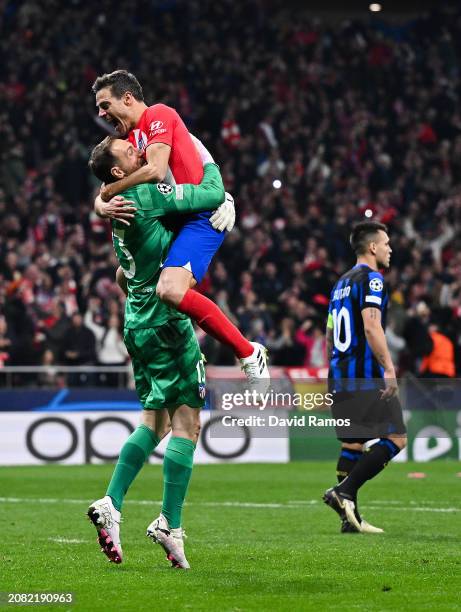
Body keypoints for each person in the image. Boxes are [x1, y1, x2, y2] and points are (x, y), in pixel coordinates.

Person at [87, 135, 230, 569]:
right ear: (118, 171)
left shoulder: (118, 209)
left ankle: (112, 503)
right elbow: (206, 193)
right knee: (187, 424)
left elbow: (120, 273)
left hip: (137, 322)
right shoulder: (144, 195)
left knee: (155, 420)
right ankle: (170, 523)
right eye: (128, 152)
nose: (138, 150)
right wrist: (222, 191)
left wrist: (100, 200)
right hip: (167, 323)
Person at [91, 70, 268, 383]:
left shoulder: (158, 114)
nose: (101, 113)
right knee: (126, 276)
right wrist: (101, 202)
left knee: (170, 289)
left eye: (105, 104)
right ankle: (177, 337)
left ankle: (247, 352)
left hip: (201, 215)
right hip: (175, 217)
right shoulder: (129, 140)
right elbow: (113, 177)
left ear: (128, 98)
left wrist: (221, 193)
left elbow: (158, 171)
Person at [323, 221, 407, 534]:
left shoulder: (339, 284)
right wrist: (388, 369)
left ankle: (350, 517)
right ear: (372, 247)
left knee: (354, 443)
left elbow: (329, 334)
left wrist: (335, 369)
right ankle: (343, 492)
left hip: (340, 375)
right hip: (365, 375)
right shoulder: (372, 279)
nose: (389, 248)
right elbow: (372, 325)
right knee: (396, 437)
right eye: (386, 243)